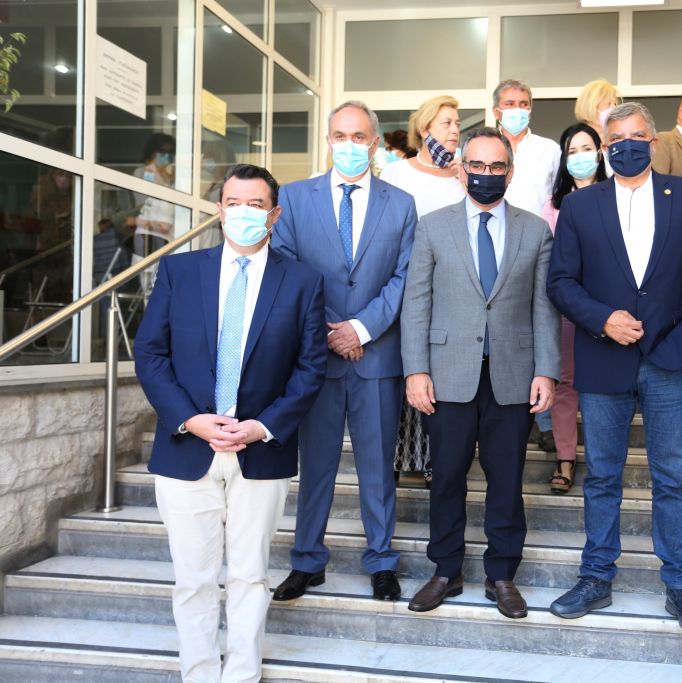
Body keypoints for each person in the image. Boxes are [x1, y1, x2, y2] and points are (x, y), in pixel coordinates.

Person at [134, 164, 327, 683]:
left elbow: (310, 368)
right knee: (193, 579)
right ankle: (198, 673)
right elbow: (151, 354)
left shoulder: (302, 281)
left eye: (255, 205)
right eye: (234, 203)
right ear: (219, 210)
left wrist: (263, 426)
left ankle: (242, 673)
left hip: (260, 450)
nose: (243, 213)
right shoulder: (180, 272)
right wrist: (189, 419)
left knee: (249, 575)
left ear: (274, 214)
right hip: (186, 448)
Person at [547, 103, 682, 635]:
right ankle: (595, 578)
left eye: (636, 136)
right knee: (602, 476)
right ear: (606, 147)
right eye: (616, 139)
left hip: (671, 360)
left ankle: (681, 586)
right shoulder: (580, 206)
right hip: (603, 357)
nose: (626, 145)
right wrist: (602, 319)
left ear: (653, 141)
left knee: (672, 478)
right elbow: (561, 282)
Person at [402, 127, 560, 619]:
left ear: (510, 173)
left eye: (496, 167)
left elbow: (544, 308)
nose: (486, 174)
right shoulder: (432, 227)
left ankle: (502, 575)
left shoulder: (536, 230)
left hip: (513, 375)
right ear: (461, 170)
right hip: (447, 374)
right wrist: (415, 370)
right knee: (446, 477)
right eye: (477, 165)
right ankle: (445, 571)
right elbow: (416, 303)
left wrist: (547, 371)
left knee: (506, 481)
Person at [271, 101, 417, 604]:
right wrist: (331, 330)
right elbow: (286, 269)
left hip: (376, 358)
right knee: (316, 467)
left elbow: (404, 277)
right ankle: (307, 561)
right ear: (328, 140)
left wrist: (360, 328)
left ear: (374, 143)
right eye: (340, 135)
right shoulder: (294, 199)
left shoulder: (401, 204)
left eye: (358, 136)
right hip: (316, 358)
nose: (349, 145)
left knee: (378, 468)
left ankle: (381, 561)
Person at [381, 95, 467, 482]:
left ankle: (435, 461)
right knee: (408, 372)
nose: (455, 130)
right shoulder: (398, 174)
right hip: (407, 289)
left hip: (453, 293)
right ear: (424, 129)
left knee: (442, 376)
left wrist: (469, 184)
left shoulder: (465, 175)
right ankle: (399, 460)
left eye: (457, 123)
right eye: (446, 123)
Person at [541, 122, 609, 494]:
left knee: (602, 385)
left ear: (599, 153)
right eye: (572, 151)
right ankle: (565, 458)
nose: (580, 157)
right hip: (567, 307)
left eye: (586, 149)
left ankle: (602, 462)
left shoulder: (618, 196)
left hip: (609, 309)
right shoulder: (553, 207)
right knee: (565, 383)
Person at [492, 78, 561, 217]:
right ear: (496, 112)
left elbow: (561, 194)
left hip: (540, 228)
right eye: (510, 104)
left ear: (530, 110)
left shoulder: (550, 149)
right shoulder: (485, 148)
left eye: (523, 104)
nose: (517, 110)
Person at [574, 78, 622, 144]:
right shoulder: (577, 140)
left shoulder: (619, 139)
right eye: (608, 104)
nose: (614, 108)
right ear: (591, 106)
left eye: (615, 104)